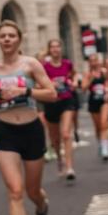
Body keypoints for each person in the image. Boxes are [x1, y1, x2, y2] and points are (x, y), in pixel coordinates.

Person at [0, 20, 57, 215]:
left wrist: (25, 90)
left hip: (31, 131)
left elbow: (52, 94)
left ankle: (42, 207)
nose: (6, 39)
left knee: (32, 192)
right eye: (3, 36)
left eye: (11, 35)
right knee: (15, 192)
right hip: (5, 131)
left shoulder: (30, 64)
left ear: (19, 39)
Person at [42, 39, 78, 181]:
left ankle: (69, 167)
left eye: (58, 46)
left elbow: (74, 75)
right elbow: (40, 82)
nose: (56, 49)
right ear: (49, 50)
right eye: (53, 47)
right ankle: (59, 159)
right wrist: (50, 84)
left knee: (66, 134)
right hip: (51, 103)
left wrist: (73, 82)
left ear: (61, 49)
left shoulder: (67, 64)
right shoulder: (45, 67)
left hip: (66, 101)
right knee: (55, 140)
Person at [83, 54, 108, 160]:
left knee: (104, 124)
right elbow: (83, 88)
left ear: (99, 61)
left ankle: (105, 147)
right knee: (98, 127)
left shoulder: (104, 72)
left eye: (96, 60)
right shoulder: (87, 74)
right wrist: (91, 78)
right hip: (93, 101)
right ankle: (100, 143)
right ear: (89, 63)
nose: (94, 63)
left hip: (104, 101)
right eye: (92, 61)